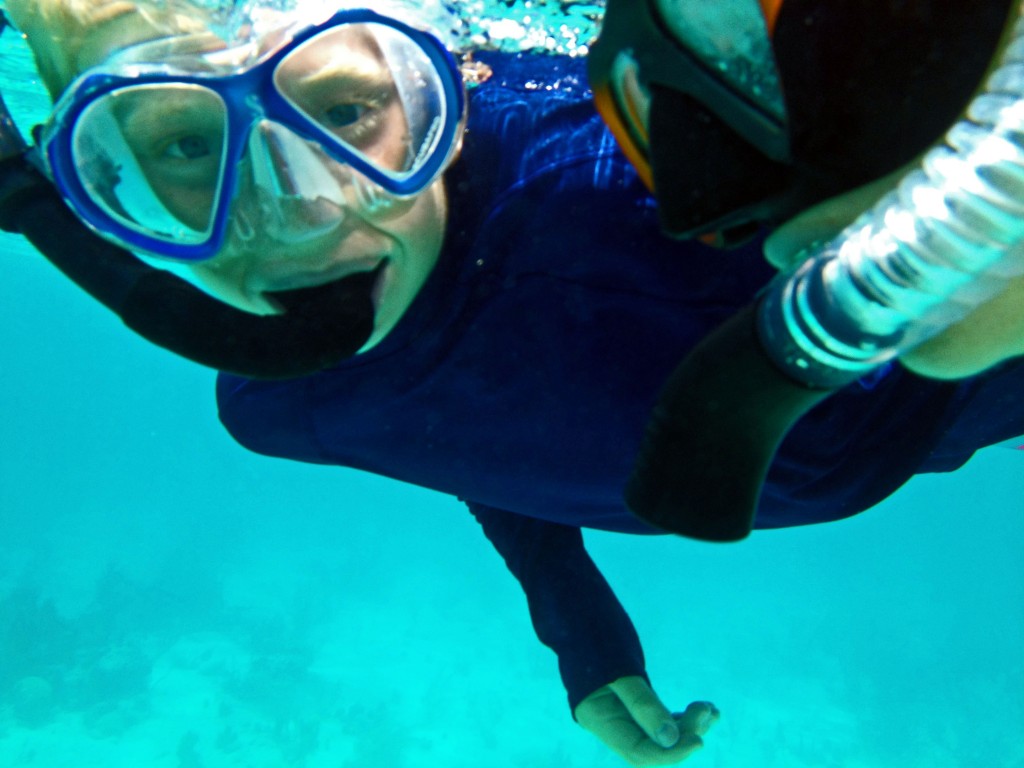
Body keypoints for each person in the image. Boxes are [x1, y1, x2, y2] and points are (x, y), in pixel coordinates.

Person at [1, 1, 1021, 765]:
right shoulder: (279, 406)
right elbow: (457, 414)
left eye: (348, 111)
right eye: (182, 143)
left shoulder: (645, 172)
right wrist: (571, 613)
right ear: (93, 180)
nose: (299, 212)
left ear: (447, 85)